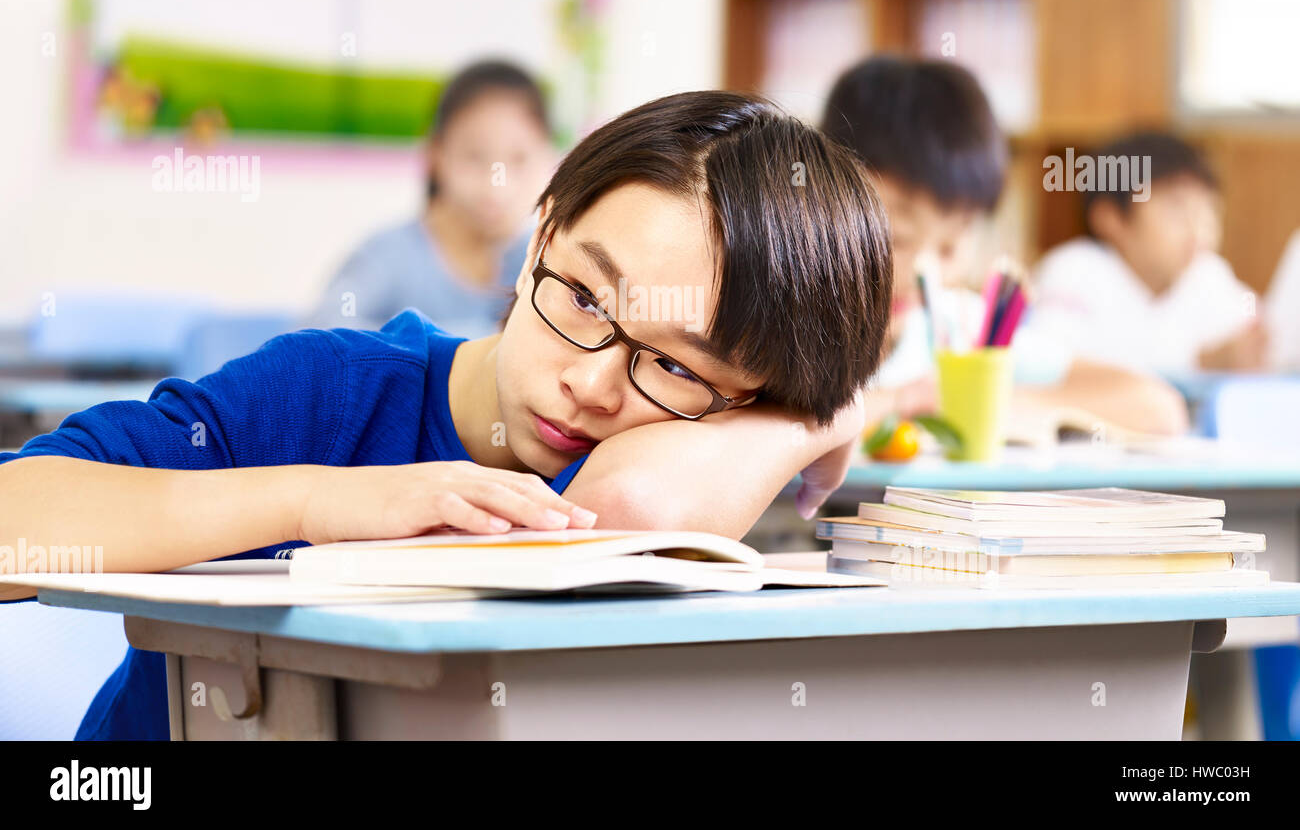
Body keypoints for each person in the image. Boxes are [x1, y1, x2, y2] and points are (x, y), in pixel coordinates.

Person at [0, 90, 894, 739]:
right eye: (583, 296)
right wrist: (317, 504)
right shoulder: (332, 390)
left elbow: (631, 515)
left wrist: (823, 415)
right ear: (540, 234)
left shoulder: (671, 459)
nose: (591, 384)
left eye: (669, 362)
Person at [820, 56, 1188, 435]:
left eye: (949, 246)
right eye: (898, 237)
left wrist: (986, 404)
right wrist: (903, 404)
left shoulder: (965, 332)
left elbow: (1158, 408)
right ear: (819, 205)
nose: (923, 271)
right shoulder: (792, 324)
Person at [301, 59, 556, 338]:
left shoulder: (540, 261)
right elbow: (317, 334)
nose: (496, 187)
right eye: (474, 157)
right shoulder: (391, 256)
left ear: (548, 158)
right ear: (435, 154)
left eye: (519, 159)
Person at [1032, 131, 1267, 374]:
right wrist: (1198, 362)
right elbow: (1055, 363)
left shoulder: (1206, 274)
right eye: (1177, 207)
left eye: (1209, 210)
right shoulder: (1074, 270)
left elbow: (1251, 317)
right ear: (1111, 218)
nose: (1198, 229)